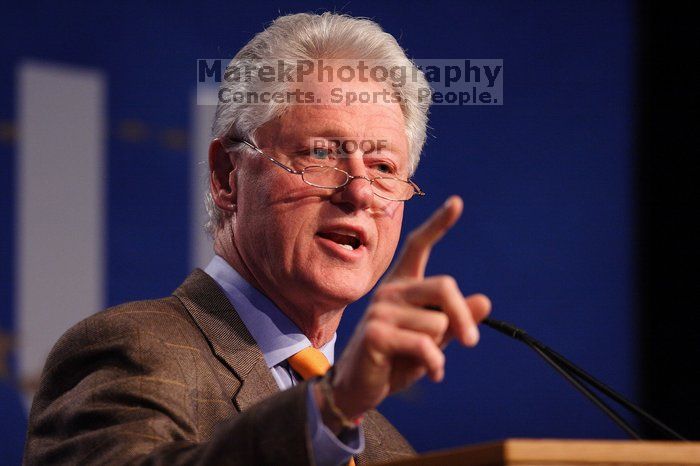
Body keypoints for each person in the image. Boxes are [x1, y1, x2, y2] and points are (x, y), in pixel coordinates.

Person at [23, 12, 491, 465]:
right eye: (321, 153)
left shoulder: (389, 449)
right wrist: (330, 408)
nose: (360, 191)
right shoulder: (132, 350)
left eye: (384, 167)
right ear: (228, 176)